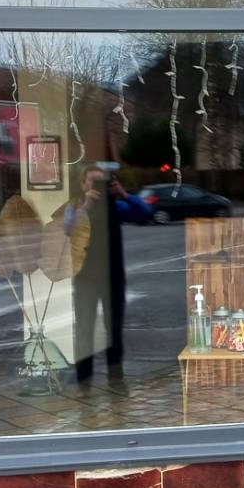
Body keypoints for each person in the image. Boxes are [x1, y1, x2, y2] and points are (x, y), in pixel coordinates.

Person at [65, 165, 149, 384]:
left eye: (101, 182)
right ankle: (84, 378)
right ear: (83, 185)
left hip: (113, 277)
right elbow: (67, 229)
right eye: (93, 182)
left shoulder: (115, 206)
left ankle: (115, 374)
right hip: (85, 278)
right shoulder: (75, 207)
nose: (97, 187)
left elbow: (144, 214)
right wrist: (86, 205)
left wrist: (124, 194)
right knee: (85, 327)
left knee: (114, 328)